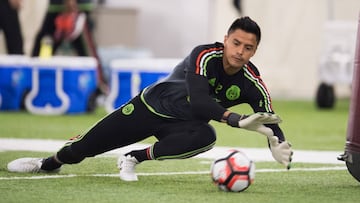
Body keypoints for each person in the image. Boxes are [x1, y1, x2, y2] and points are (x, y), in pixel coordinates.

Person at [7, 16, 293, 181]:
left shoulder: (251, 81)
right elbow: (200, 101)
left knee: (206, 136)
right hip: (150, 106)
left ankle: (133, 158)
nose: (240, 51)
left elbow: (268, 115)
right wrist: (239, 120)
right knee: (83, 149)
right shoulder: (205, 55)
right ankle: (48, 163)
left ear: (254, 51)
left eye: (248, 47)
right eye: (236, 43)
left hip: (183, 125)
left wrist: (276, 141)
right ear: (226, 39)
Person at [31, 0, 108, 94]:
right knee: (43, 50)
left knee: (87, 53)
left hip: (76, 8)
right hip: (59, 7)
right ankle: (34, 85)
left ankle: (99, 88)